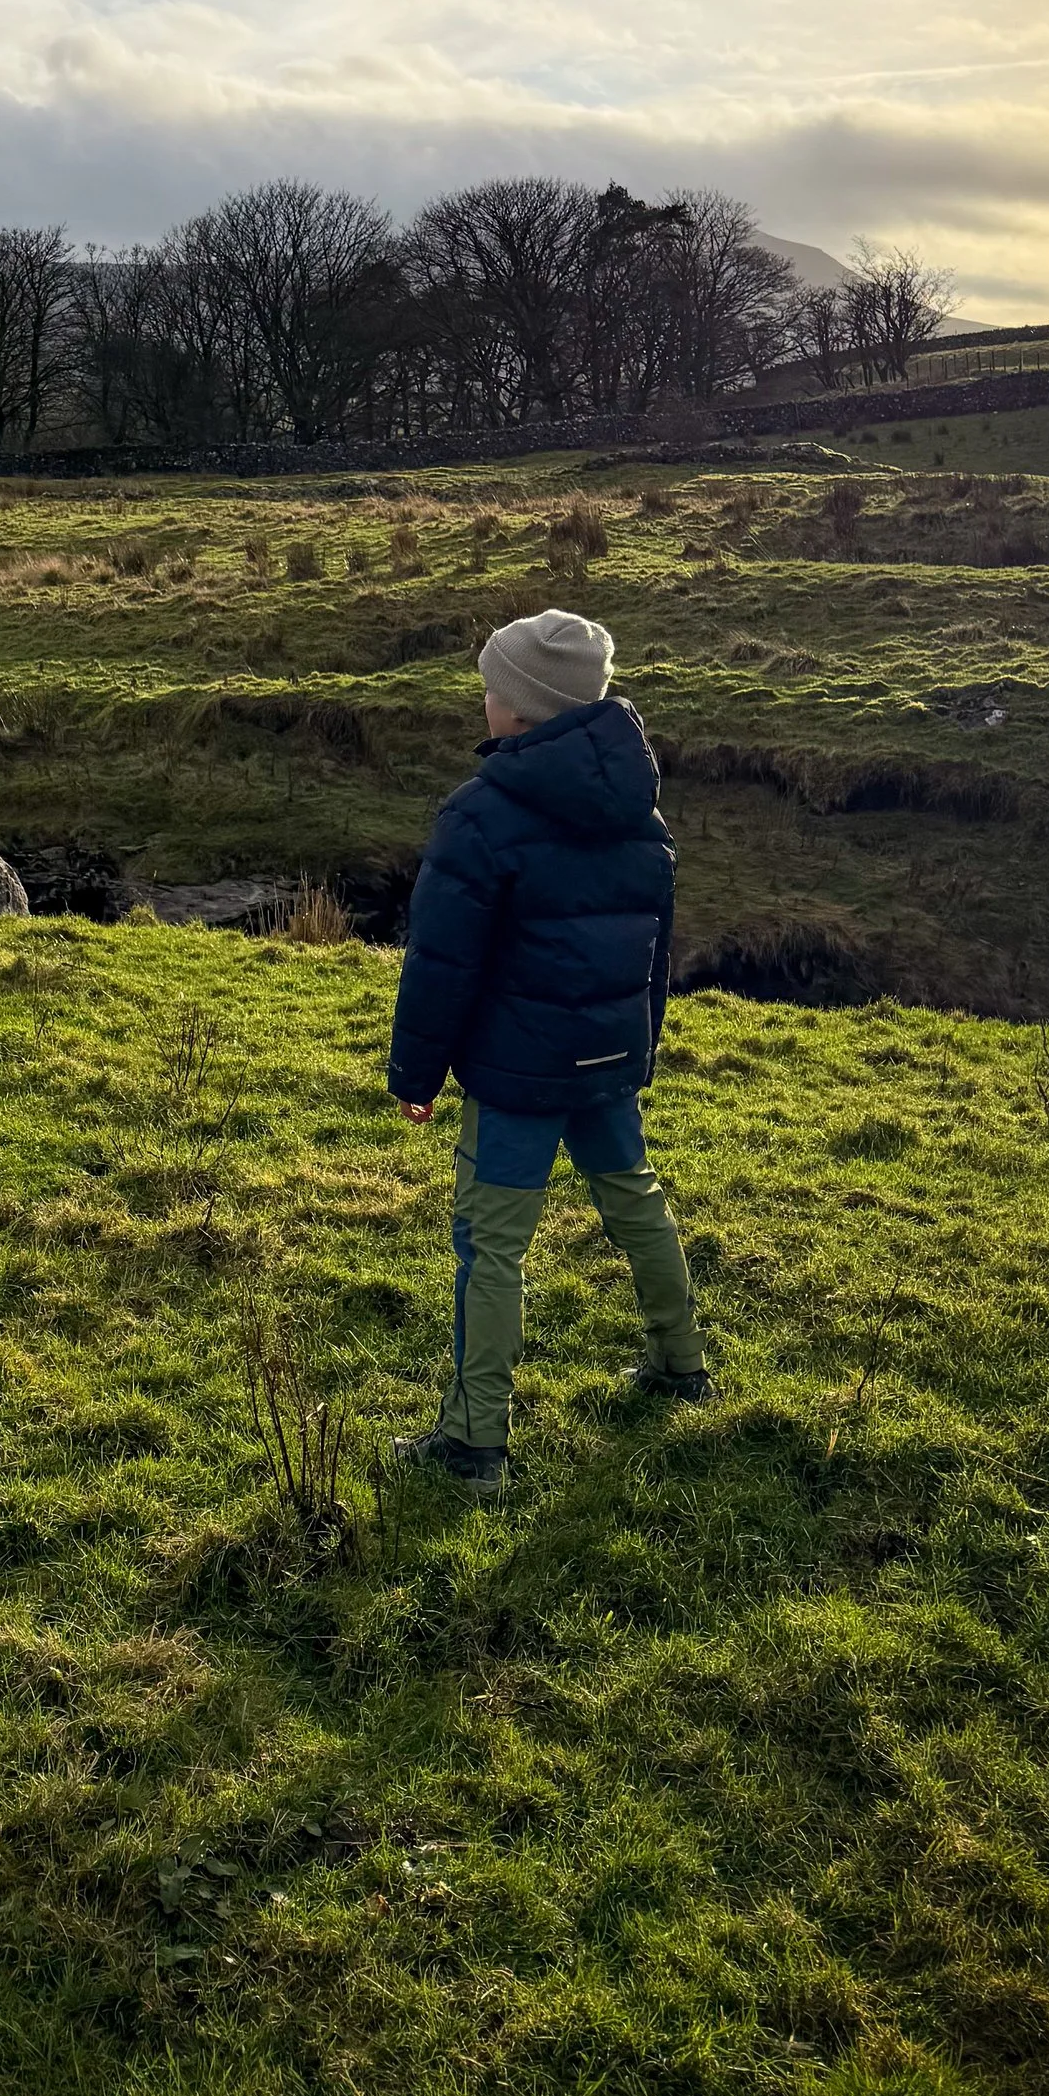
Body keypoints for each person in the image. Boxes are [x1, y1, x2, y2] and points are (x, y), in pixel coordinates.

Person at [386, 604, 708, 1497]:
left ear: (521, 710)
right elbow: (655, 951)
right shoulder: (639, 813)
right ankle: (682, 1362)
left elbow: (442, 965)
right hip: (606, 1056)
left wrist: (415, 1074)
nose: (483, 700)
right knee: (636, 1200)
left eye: (492, 687)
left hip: (517, 1073)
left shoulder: (480, 814)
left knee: (492, 1247)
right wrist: (637, 1048)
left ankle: (473, 1438)